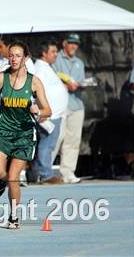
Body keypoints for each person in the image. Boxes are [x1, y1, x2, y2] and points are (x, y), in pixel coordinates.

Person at [0, 41, 51, 229]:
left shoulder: (34, 82)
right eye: (11, 55)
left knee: (14, 177)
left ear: (26, 58)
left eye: (18, 55)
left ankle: (13, 216)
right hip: (4, 131)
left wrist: (38, 111)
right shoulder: (0, 78)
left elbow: (48, 110)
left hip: (24, 135)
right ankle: (2, 180)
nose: (13, 59)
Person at [32, 41, 68, 184]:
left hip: (54, 114)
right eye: (53, 52)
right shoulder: (40, 69)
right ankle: (46, 175)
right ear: (44, 53)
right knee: (47, 144)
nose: (56, 55)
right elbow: (36, 90)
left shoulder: (47, 68)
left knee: (46, 144)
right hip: (48, 115)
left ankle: (35, 174)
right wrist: (41, 112)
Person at [52, 33, 85, 184]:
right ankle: (44, 171)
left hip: (76, 105)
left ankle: (68, 172)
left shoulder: (80, 63)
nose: (74, 46)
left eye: (76, 44)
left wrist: (81, 85)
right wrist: (65, 85)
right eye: (71, 43)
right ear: (64, 43)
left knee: (73, 140)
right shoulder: (55, 59)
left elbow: (80, 82)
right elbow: (49, 80)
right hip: (59, 106)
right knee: (55, 138)